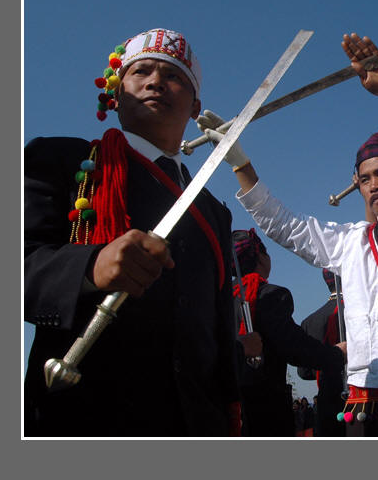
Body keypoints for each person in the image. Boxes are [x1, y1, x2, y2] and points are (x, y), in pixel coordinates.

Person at [198, 33, 378, 437]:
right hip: (369, 401)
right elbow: (286, 226)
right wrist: (241, 163)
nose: (373, 185)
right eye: (365, 179)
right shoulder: (350, 242)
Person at [24, 28, 240, 436]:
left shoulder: (212, 210)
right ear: (115, 91)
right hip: (83, 417)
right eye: (141, 71)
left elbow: (218, 323)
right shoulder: (56, 159)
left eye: (174, 76)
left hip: (193, 422)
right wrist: (89, 266)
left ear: (195, 105)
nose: (156, 81)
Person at [231, 229, 346, 436]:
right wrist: (337, 354)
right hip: (266, 411)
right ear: (261, 256)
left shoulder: (219, 299)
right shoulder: (271, 295)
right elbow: (294, 347)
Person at [297, 269, 347, 437]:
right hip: (361, 396)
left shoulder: (309, 322)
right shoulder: (362, 313)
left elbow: (304, 372)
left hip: (327, 399)